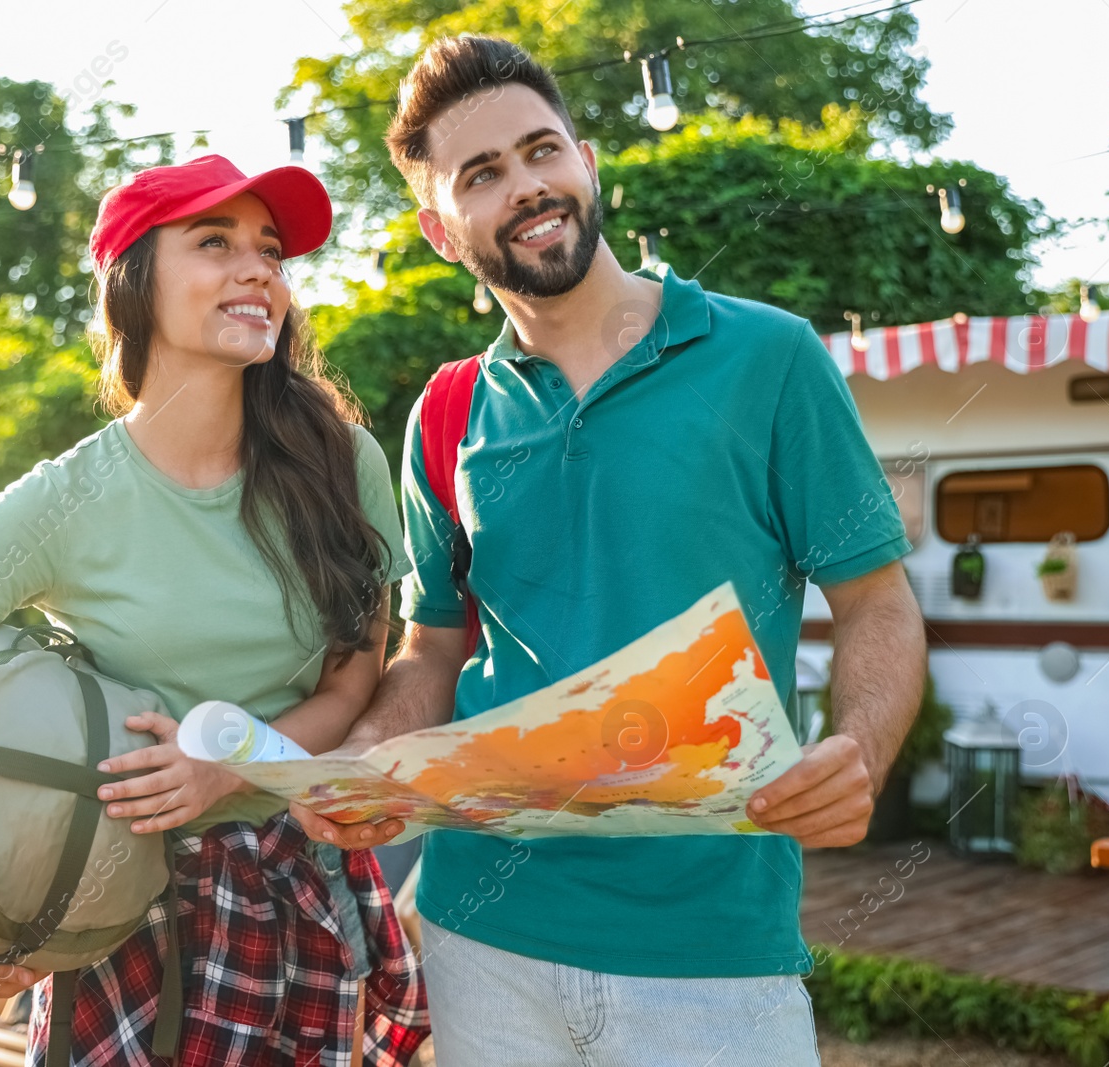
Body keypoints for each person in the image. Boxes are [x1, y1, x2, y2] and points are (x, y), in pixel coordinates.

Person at [287, 36, 929, 1067]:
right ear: (439, 230)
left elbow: (875, 600)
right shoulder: (447, 413)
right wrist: (371, 756)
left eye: (542, 150)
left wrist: (858, 745)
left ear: (587, 162)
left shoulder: (768, 358)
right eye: (482, 174)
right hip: (480, 931)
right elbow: (431, 649)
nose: (527, 186)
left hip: (712, 946)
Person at [0, 154, 429, 1067]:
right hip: (119, 918)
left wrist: (227, 758)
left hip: (305, 892)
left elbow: (355, 676)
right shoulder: (61, 501)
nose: (258, 268)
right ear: (134, 282)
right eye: (214, 242)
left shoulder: (342, 462)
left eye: (270, 250)